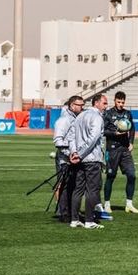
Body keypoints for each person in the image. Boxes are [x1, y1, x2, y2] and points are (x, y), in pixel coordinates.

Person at [69, 92, 109, 229]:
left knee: (78, 189)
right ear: (96, 103)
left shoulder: (80, 116)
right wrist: (79, 154)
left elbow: (72, 137)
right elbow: (93, 138)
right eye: (104, 103)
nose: (106, 106)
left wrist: (74, 152)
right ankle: (89, 220)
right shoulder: (97, 117)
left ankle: (74, 219)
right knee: (92, 190)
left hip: (79, 159)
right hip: (91, 158)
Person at [102, 91, 138, 215]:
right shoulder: (108, 114)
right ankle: (107, 204)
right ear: (114, 101)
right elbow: (102, 131)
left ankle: (129, 204)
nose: (121, 104)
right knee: (111, 177)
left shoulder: (127, 114)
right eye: (119, 102)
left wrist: (131, 142)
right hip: (112, 149)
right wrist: (114, 134)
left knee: (132, 175)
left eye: (123, 102)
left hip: (124, 149)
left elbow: (132, 128)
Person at [52, 94, 84, 222]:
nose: (82, 107)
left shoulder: (77, 118)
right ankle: (64, 213)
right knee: (65, 186)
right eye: (79, 105)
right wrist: (69, 153)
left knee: (73, 185)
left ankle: (71, 212)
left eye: (82, 105)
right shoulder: (64, 120)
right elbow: (58, 141)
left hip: (74, 158)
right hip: (65, 160)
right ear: (71, 105)